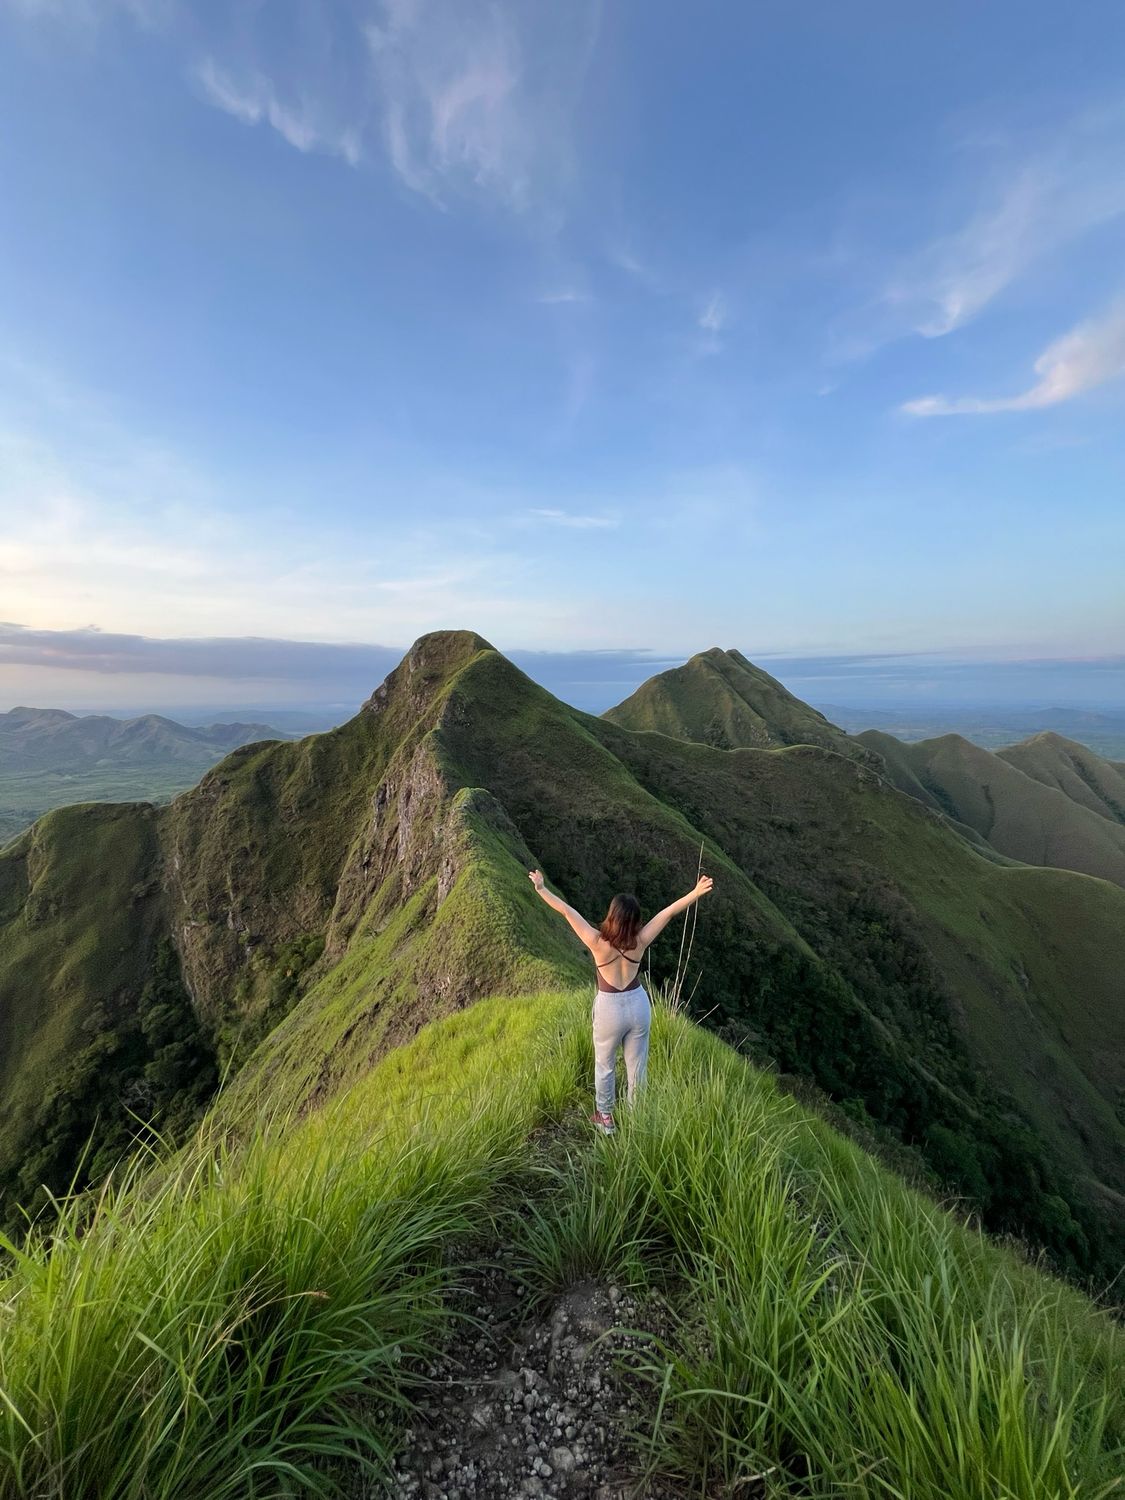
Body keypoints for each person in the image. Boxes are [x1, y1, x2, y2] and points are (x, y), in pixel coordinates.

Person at [528, 869, 714, 1134]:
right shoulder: (640, 941)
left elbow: (566, 911)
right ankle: (637, 1119)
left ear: (612, 916)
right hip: (638, 1005)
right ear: (635, 920)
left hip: (609, 1008)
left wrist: (542, 888)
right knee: (637, 1067)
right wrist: (695, 893)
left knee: (605, 1065)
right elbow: (668, 912)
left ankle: (605, 1118)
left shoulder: (596, 942)